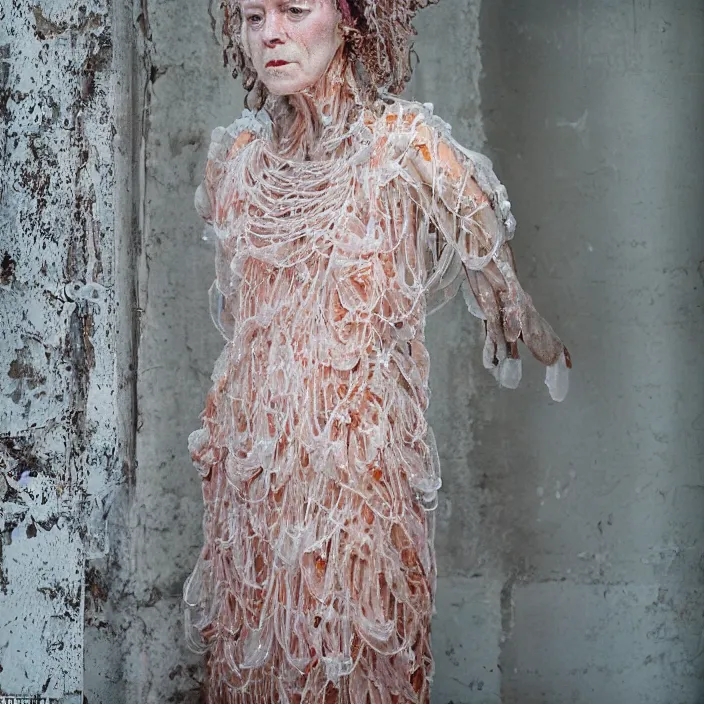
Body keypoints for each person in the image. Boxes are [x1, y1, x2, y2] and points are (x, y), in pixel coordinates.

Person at [183, 0, 571, 701]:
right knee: (256, 657)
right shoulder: (235, 162)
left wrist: (525, 321)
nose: (269, 33)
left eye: (294, 10)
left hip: (356, 472)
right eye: (250, 16)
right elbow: (242, 320)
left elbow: (496, 271)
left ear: (352, 19)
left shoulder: (406, 146)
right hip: (253, 467)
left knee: (351, 646)